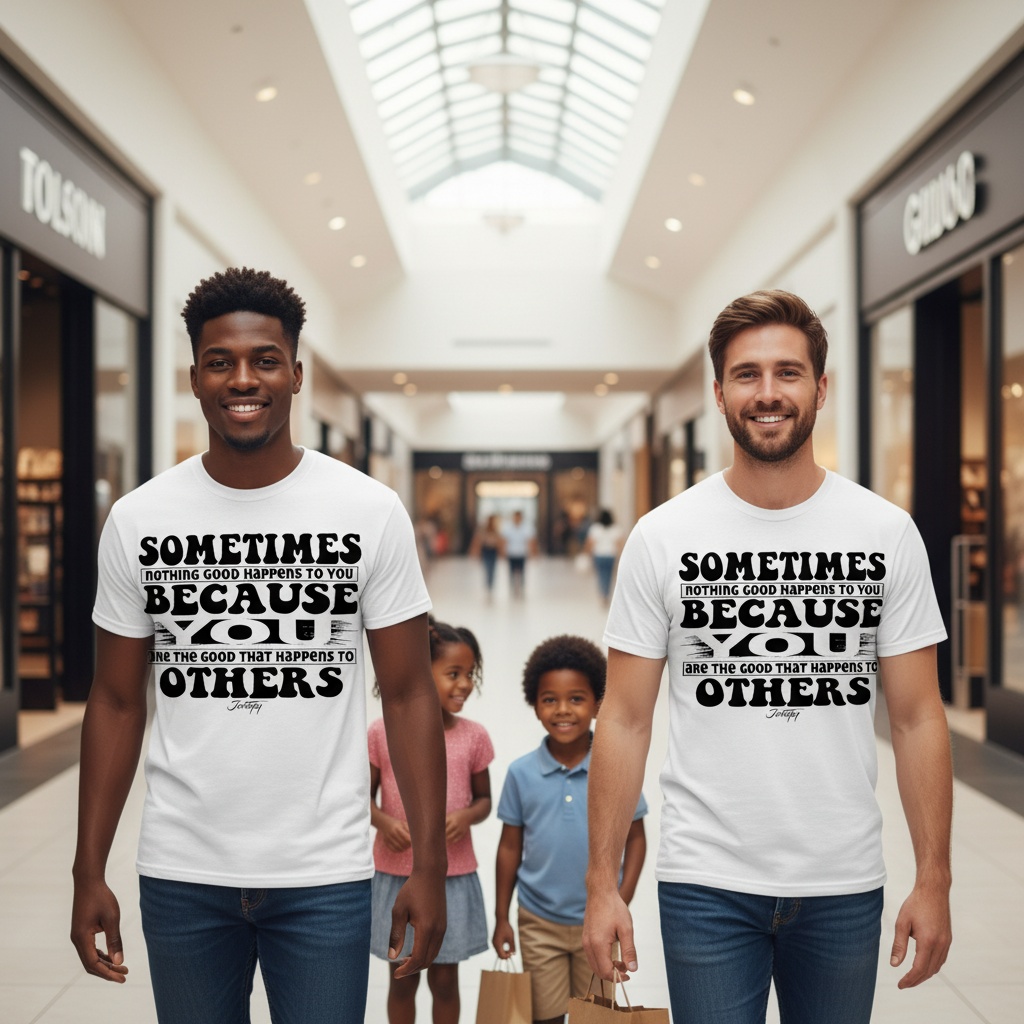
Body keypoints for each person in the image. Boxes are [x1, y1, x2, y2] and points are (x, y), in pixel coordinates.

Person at [70, 268, 448, 1024]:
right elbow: (114, 700)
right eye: (220, 362)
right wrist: (88, 869)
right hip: (182, 869)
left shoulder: (368, 511)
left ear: (296, 373)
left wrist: (429, 866)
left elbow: (409, 693)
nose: (243, 379)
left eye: (265, 360)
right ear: (195, 379)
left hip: (324, 873)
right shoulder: (140, 519)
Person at [583, 290, 953, 1024]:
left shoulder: (885, 533)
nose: (768, 392)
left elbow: (917, 717)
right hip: (705, 880)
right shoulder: (663, 537)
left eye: (788, 372)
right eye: (746, 374)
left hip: (842, 878)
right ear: (719, 393)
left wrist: (934, 877)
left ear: (822, 387)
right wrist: (601, 885)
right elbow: (623, 719)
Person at [494, 635, 647, 1024]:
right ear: (535, 705)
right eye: (550, 699)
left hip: (598, 922)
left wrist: (620, 899)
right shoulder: (520, 773)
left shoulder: (615, 768)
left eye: (576, 698)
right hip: (538, 921)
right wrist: (501, 917)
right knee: (544, 1017)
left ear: (598, 704)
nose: (563, 709)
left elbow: (637, 839)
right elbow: (509, 848)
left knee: (595, 1016)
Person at [370, 618, 493, 1024]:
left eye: (470, 674)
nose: (465, 684)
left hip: (452, 879)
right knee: (402, 980)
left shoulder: (474, 736)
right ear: (423, 672)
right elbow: (362, 798)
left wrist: (466, 816)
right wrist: (384, 823)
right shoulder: (380, 733)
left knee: (445, 982)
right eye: (453, 673)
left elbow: (485, 801)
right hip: (396, 876)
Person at [585, 510, 623, 603]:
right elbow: (619, 544)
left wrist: (589, 555)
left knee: (601, 575)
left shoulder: (595, 528)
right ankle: (607, 594)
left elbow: (590, 543)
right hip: (611, 555)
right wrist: (620, 557)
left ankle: (603, 594)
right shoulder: (615, 528)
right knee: (609, 576)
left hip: (599, 555)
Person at [501, 509, 537, 597]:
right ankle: (513, 588)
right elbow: (504, 540)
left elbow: (530, 541)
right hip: (511, 553)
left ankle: (521, 587)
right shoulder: (508, 528)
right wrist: (503, 551)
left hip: (522, 553)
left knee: (522, 572)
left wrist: (532, 552)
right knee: (511, 572)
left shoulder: (526, 527)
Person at [470, 514, 503, 594]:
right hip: (486, 550)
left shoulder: (496, 530)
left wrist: (501, 551)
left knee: (492, 569)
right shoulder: (483, 530)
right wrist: (476, 551)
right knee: (487, 567)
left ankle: (491, 585)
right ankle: (488, 584)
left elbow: (499, 541)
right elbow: (478, 541)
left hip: (493, 551)